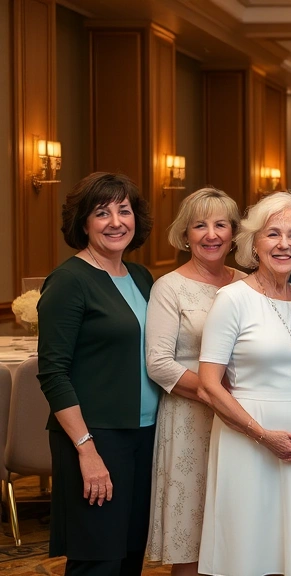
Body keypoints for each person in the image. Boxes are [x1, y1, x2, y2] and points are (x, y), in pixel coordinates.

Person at [37, 172, 158, 576]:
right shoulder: (69, 281)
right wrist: (86, 450)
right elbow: (53, 372)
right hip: (94, 438)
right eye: (101, 213)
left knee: (129, 557)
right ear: (83, 223)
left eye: (123, 211)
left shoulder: (141, 277)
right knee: (98, 562)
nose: (115, 222)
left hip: (144, 436)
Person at [197, 191, 291, 576]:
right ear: (254, 242)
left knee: (286, 552)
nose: (284, 244)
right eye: (273, 234)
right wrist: (262, 434)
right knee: (246, 550)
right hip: (246, 438)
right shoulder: (231, 299)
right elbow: (208, 385)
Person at [145, 188, 244, 576]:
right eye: (199, 225)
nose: (211, 234)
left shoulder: (247, 283)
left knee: (236, 529)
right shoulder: (169, 287)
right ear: (185, 234)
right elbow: (158, 364)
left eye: (220, 224)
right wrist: (212, 391)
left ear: (234, 233)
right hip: (189, 421)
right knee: (191, 533)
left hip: (239, 419)